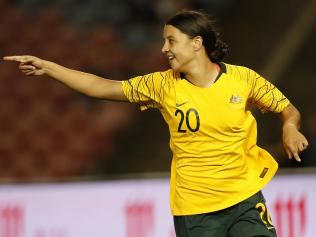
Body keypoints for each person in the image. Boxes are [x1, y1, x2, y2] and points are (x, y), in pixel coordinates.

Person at [4, 9, 309, 237]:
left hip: (244, 198)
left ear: (196, 43)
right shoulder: (162, 85)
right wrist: (49, 67)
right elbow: (100, 87)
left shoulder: (243, 79)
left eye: (170, 40)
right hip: (195, 210)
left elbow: (288, 109)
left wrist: (289, 126)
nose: (164, 48)